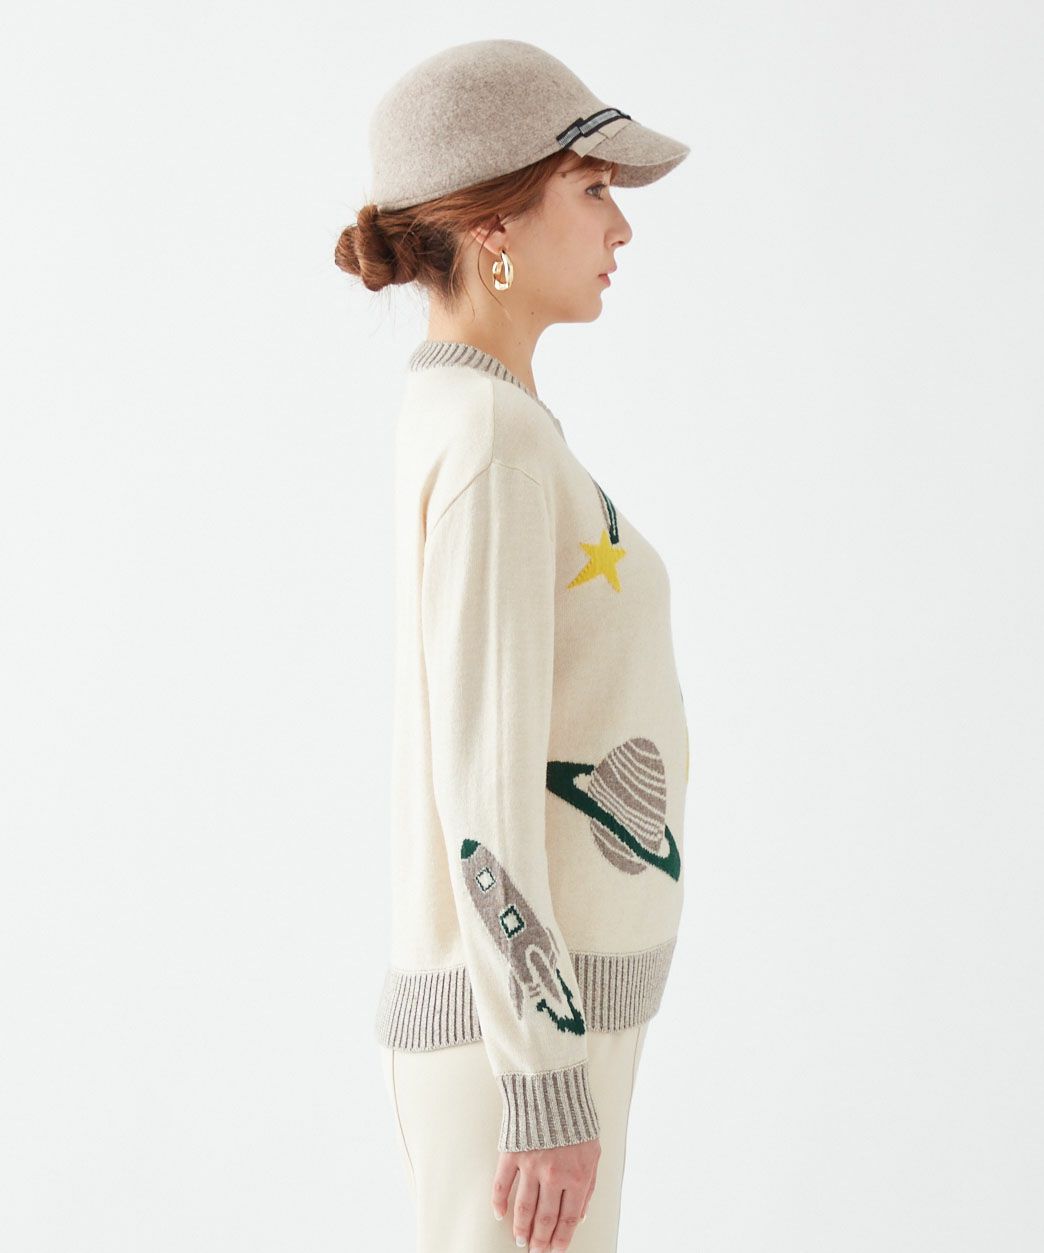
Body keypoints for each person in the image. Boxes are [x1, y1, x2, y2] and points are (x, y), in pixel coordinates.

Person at [335, 38, 692, 1253]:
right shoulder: (489, 438)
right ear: (494, 220)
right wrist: (541, 1072)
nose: (620, 226)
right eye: (593, 188)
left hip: (533, 1032)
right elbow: (482, 789)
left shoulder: (484, 418)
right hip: (519, 1052)